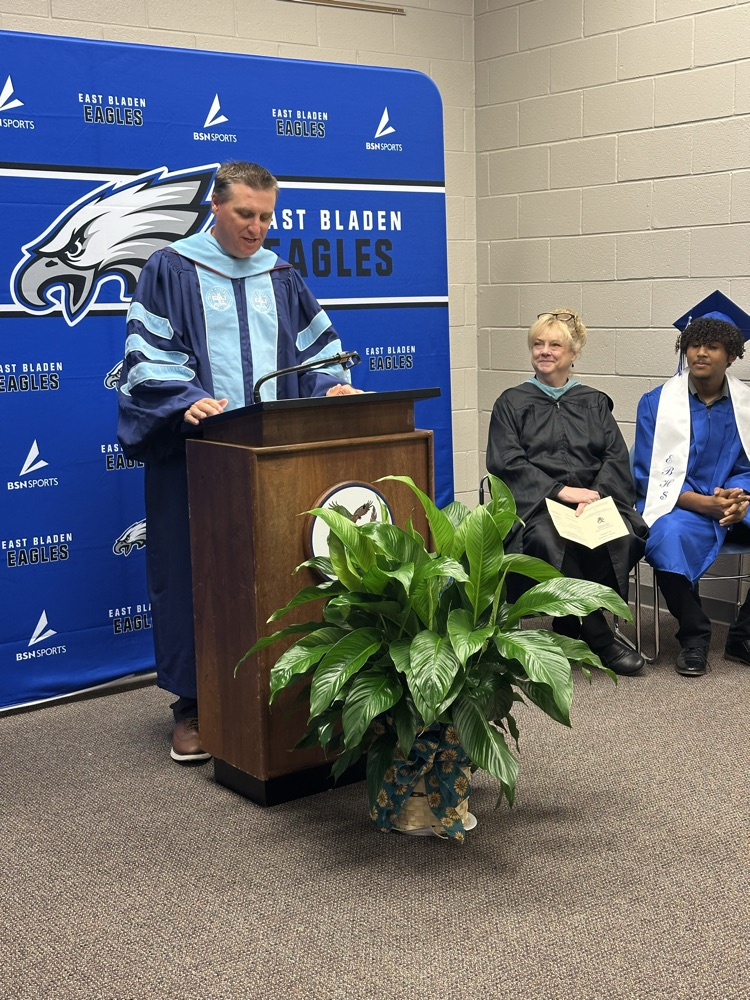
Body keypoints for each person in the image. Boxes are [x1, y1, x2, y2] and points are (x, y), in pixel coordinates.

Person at [117, 160, 362, 762]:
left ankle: (284, 689)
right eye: (245, 215)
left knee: (280, 567)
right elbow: (146, 355)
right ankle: (191, 705)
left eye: (266, 216)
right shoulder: (170, 269)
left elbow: (317, 348)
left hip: (274, 456)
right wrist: (185, 398)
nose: (257, 228)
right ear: (216, 209)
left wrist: (330, 384)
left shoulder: (281, 275)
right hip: (196, 455)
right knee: (192, 573)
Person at [486, 309, 647, 675]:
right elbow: (505, 461)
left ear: (573, 353)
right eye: (537, 344)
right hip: (537, 506)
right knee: (547, 538)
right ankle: (599, 637)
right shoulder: (512, 402)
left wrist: (594, 495)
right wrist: (561, 491)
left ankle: (568, 620)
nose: (544, 351)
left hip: (595, 500)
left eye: (554, 344)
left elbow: (614, 456)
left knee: (625, 535)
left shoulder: (593, 401)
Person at [633, 291, 750, 677]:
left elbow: (747, 464)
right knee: (665, 537)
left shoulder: (746, 405)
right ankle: (695, 636)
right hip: (679, 505)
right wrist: (703, 503)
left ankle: (743, 634)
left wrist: (736, 495)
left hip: (735, 503)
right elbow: (648, 474)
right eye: (694, 344)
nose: (700, 353)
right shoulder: (656, 403)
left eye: (712, 346)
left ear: (731, 355)